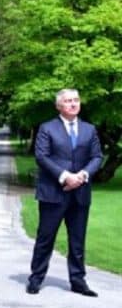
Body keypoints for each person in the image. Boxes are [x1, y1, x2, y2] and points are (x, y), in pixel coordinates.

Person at [27, 89, 103, 296]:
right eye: (68, 101)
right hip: (53, 193)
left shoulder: (89, 129)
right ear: (59, 105)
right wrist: (65, 176)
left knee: (77, 240)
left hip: (80, 193)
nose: (73, 104)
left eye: (76, 100)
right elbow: (42, 157)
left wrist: (82, 176)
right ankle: (36, 278)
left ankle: (78, 280)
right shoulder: (47, 128)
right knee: (46, 238)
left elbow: (97, 157)